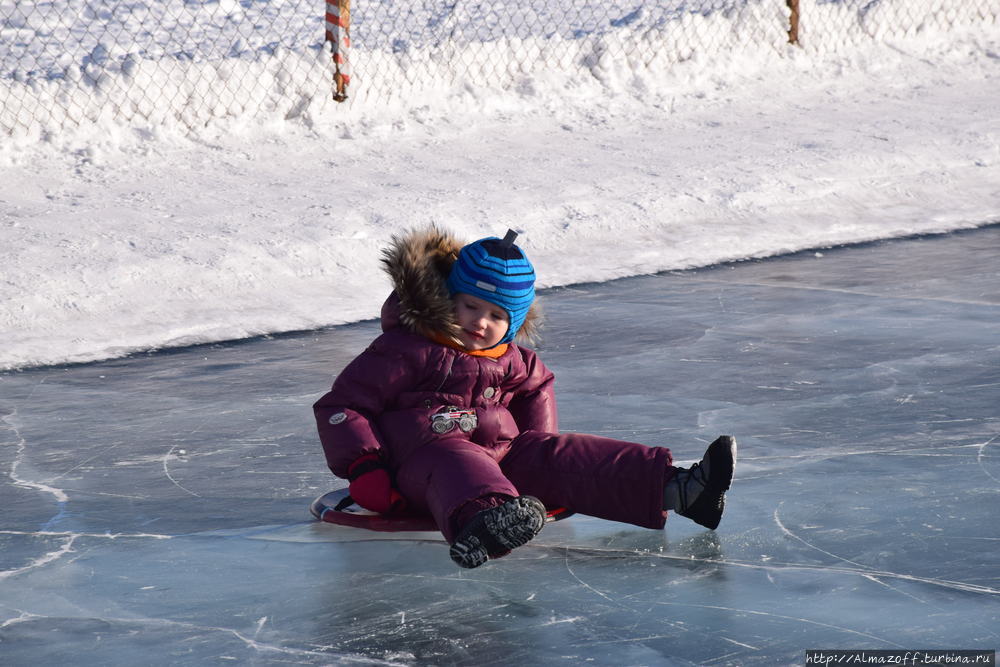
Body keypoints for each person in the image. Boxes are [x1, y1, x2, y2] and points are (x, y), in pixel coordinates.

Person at [313, 226, 736, 568]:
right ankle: (483, 523)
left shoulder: (516, 359)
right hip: (420, 462)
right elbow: (343, 405)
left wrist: (543, 458)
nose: (481, 322)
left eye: (496, 315)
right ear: (447, 301)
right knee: (457, 460)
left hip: (499, 454)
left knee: (563, 454)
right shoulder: (407, 348)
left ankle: (681, 489)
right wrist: (365, 466)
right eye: (470, 306)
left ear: (512, 321)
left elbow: (536, 392)